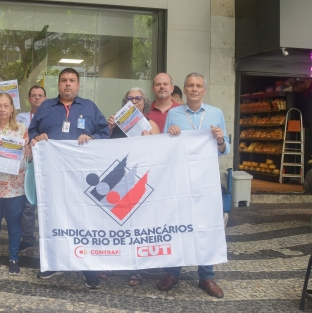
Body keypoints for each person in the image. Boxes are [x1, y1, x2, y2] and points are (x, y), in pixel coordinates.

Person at [29, 68, 110, 290]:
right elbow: (32, 131)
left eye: (72, 80)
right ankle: (53, 262)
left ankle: (88, 268)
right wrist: (37, 137)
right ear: (58, 84)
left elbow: (105, 134)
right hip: (52, 177)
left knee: (85, 219)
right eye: (64, 80)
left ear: (78, 85)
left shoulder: (90, 108)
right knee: (52, 217)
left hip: (82, 178)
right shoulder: (46, 107)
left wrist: (92, 138)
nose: (68, 84)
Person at [156, 72, 230, 299]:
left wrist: (219, 139)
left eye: (198, 86)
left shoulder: (216, 113)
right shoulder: (174, 114)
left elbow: (224, 149)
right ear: (185, 90)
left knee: (206, 226)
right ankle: (173, 272)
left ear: (204, 91)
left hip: (206, 181)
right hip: (180, 180)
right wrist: (170, 134)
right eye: (190, 85)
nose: (195, 89)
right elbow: (166, 147)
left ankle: (206, 276)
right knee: (178, 224)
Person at [106, 87, 159, 286]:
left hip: (140, 180)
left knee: (137, 225)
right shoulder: (115, 123)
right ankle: (113, 261)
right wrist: (109, 129)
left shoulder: (151, 124)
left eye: (138, 98)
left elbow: (161, 152)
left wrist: (149, 139)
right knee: (115, 222)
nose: (135, 101)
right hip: (118, 179)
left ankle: (136, 269)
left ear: (144, 102)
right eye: (130, 98)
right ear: (125, 102)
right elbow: (104, 148)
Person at [0, 93, 30, 275]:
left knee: (14, 223)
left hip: (14, 185)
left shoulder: (22, 129)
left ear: (11, 109)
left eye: (6, 106)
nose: (2, 109)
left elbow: (28, 155)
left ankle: (13, 258)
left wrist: (30, 148)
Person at [16, 85, 46, 252]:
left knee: (46, 203)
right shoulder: (21, 118)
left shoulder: (52, 116)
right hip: (26, 163)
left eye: (40, 95)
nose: (37, 98)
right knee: (27, 203)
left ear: (45, 98)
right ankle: (28, 238)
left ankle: (46, 236)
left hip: (47, 165)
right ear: (28, 99)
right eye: (33, 95)